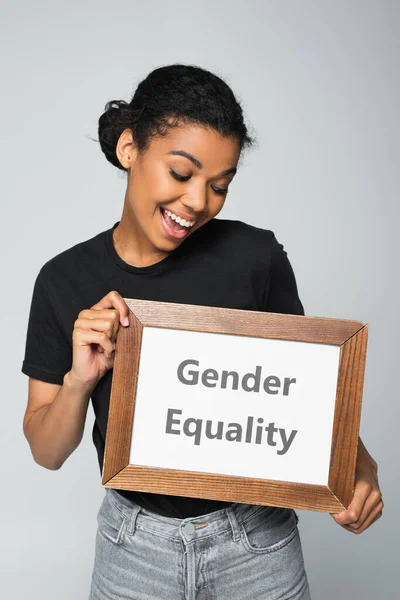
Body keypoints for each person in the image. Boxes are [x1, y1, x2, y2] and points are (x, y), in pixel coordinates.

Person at [21, 64, 383, 600]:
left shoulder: (256, 258)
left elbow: (310, 393)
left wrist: (361, 468)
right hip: (134, 547)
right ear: (129, 149)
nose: (198, 202)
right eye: (181, 173)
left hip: (257, 540)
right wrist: (80, 379)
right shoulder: (63, 279)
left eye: (219, 185)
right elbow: (46, 451)